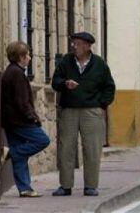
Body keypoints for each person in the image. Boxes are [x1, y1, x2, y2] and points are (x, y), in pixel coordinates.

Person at [51, 32, 115, 197]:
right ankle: (65, 186)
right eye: (73, 43)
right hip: (69, 110)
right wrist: (65, 84)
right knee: (66, 148)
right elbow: (55, 81)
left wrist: (101, 104)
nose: (74, 46)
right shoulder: (66, 61)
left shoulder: (99, 64)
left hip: (92, 111)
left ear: (87, 46)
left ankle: (91, 186)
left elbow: (109, 86)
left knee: (92, 149)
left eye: (77, 44)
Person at [1, 41, 51, 198]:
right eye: (27, 55)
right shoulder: (17, 74)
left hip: (10, 121)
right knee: (42, 140)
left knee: (21, 156)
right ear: (20, 57)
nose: (29, 58)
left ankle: (24, 188)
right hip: (19, 121)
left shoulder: (11, 71)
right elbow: (22, 102)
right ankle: (9, 153)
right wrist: (33, 118)